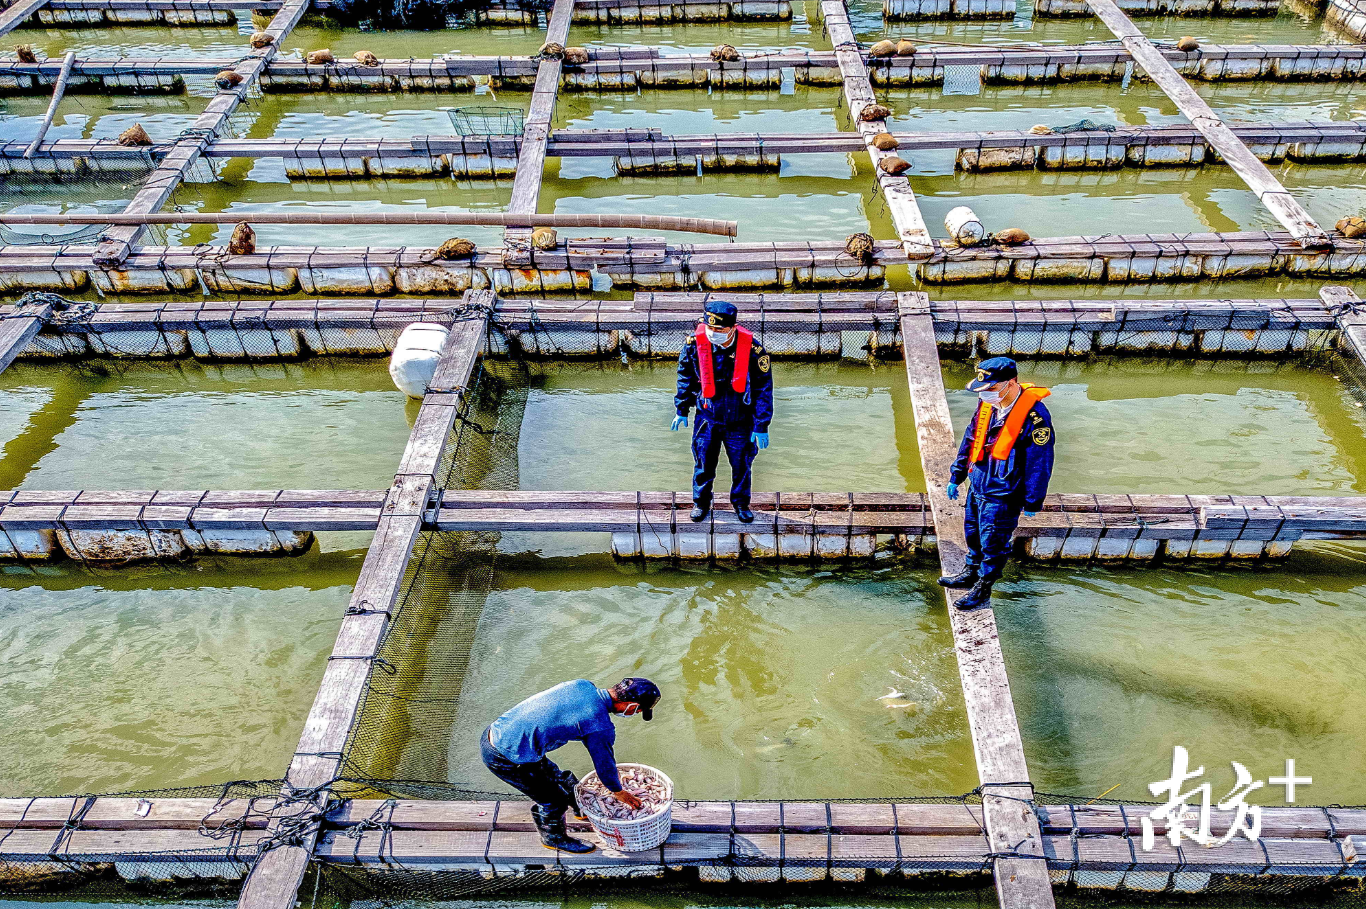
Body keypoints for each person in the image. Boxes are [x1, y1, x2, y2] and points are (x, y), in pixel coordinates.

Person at [481, 677, 662, 853]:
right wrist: (618, 791)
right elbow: (604, 764)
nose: (635, 714)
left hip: (499, 732)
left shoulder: (583, 685)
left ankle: (580, 808)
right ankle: (553, 839)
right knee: (554, 801)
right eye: (638, 711)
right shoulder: (599, 725)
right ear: (631, 705)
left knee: (559, 777)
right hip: (504, 757)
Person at [939, 357, 1055, 611]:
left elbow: (1040, 462)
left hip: (1004, 492)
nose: (986, 393)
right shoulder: (987, 406)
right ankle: (970, 572)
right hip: (979, 482)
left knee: (994, 541)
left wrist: (1033, 499)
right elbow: (970, 439)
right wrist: (957, 475)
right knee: (973, 533)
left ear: (1010, 382)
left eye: (991, 388)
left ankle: (983, 587)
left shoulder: (1035, 419)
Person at [671, 300, 774, 524]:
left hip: (740, 419)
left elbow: (763, 388)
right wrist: (681, 409)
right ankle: (701, 503)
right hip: (707, 417)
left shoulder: (754, 350)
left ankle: (740, 504)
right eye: (710, 328)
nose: (713, 333)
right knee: (703, 463)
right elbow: (685, 377)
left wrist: (761, 425)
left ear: (733, 328)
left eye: (719, 330)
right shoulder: (693, 345)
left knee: (741, 465)